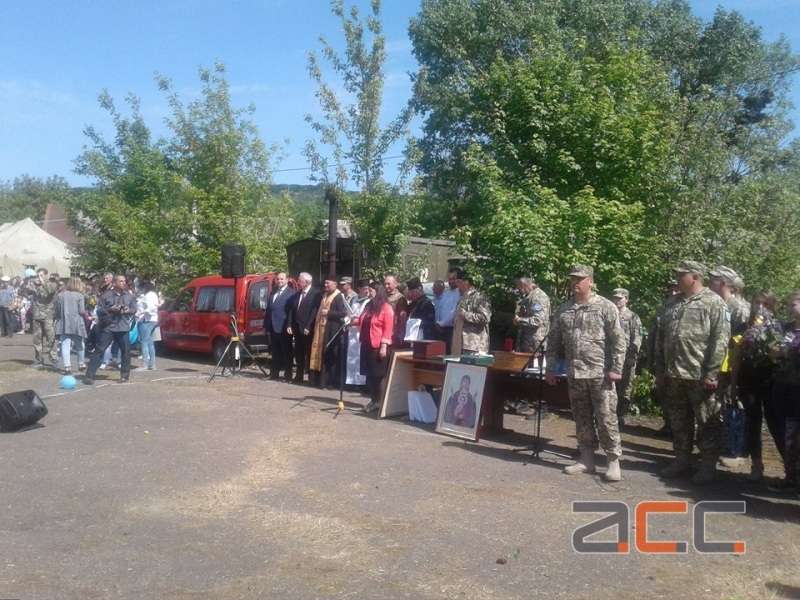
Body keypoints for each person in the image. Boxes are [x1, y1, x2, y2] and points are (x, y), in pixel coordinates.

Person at [546, 265, 626, 482]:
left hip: (600, 375)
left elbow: (619, 340)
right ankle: (586, 460)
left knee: (606, 418)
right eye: (573, 279)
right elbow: (552, 342)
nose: (575, 283)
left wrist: (617, 368)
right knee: (581, 419)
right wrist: (550, 368)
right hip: (575, 374)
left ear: (590, 281)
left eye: (580, 279)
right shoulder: (564, 309)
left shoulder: (605, 307)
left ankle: (613, 461)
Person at [655, 260, 730, 484]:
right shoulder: (673, 302)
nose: (678, 278)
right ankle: (682, 459)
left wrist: (712, 372)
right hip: (674, 373)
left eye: (682, 275)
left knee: (707, 421)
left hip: (699, 375)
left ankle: (707, 465)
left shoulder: (713, 302)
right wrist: (660, 369)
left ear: (695, 277)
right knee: (679, 420)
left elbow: (720, 340)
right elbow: (661, 338)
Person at [731, 291, 782, 481]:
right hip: (748, 380)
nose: (760, 308)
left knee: (776, 423)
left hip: (771, 381)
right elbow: (735, 357)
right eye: (757, 303)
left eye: (765, 305)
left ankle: (790, 467)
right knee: (752, 422)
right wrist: (733, 384)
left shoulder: (778, 328)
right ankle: (756, 464)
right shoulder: (743, 327)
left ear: (771, 307)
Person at [709, 266, 751, 465]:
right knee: (715, 407)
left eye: (714, 280)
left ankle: (734, 451)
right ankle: (717, 447)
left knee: (731, 405)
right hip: (717, 365)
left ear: (724, 283)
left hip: (732, 366)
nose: (710, 283)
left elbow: (741, 342)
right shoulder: (717, 304)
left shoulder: (739, 308)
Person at [768, 291, 800, 493]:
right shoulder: (785, 328)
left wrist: (785, 352)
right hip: (783, 386)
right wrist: (774, 352)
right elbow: (772, 350)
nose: (791, 306)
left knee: (796, 435)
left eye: (795, 302)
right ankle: (791, 476)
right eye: (789, 304)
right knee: (785, 432)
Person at [83, 275, 137, 384]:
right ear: (115, 283)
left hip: (123, 327)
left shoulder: (129, 296)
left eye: (124, 281)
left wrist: (127, 310)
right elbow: (99, 311)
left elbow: (134, 309)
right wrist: (110, 309)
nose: (123, 283)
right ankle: (89, 376)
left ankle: (124, 376)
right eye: (120, 281)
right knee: (99, 350)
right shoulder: (106, 295)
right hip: (109, 327)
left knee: (126, 352)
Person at [360, 284, 394, 413]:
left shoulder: (386, 308)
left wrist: (384, 345)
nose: (369, 292)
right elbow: (362, 320)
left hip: (378, 346)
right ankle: (373, 400)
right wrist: (352, 320)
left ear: (378, 292)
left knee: (378, 376)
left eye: (371, 290)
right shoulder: (369, 306)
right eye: (368, 289)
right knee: (370, 376)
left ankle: (379, 402)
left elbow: (388, 328)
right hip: (366, 344)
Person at [309, 277, 349, 388]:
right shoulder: (325, 295)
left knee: (330, 356)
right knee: (321, 354)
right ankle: (318, 381)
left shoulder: (338, 296)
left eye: (328, 283)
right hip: (321, 329)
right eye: (325, 282)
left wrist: (329, 312)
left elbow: (343, 313)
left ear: (335, 284)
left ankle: (329, 382)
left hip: (332, 330)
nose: (325, 285)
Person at [611, 288, 643, 427]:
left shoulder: (632, 317)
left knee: (625, 389)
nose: (617, 300)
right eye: (615, 298)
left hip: (627, 358)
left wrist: (633, 355)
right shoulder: (610, 314)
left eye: (620, 298)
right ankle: (609, 414)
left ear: (626, 299)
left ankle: (621, 414)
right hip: (611, 358)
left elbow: (637, 337)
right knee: (609, 387)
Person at [287, 272, 321, 384]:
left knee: (310, 353)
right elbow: (292, 310)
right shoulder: (297, 294)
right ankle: (299, 376)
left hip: (308, 329)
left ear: (306, 282)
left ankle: (312, 378)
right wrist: (289, 325)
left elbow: (314, 312)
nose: (298, 282)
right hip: (297, 328)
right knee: (299, 353)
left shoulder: (316, 294)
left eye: (300, 280)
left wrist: (308, 326)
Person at [22, 268, 59, 367]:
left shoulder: (52, 284)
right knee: (37, 339)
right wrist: (27, 283)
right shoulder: (34, 285)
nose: (39, 277)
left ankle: (54, 359)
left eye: (41, 275)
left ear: (46, 275)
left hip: (48, 315)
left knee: (50, 338)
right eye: (38, 275)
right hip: (36, 315)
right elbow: (25, 293)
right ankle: (39, 360)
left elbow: (50, 292)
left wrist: (43, 282)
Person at [451, 269, 491, 355]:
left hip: (474, 346)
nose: (457, 285)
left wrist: (465, 315)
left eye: (458, 282)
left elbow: (485, 317)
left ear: (466, 282)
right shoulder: (463, 297)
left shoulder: (479, 297)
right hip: (460, 345)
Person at [264, 272, 296, 380]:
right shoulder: (273, 292)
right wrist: (266, 325)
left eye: (282, 279)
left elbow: (292, 312)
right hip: (273, 327)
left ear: (287, 280)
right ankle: (274, 374)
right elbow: (269, 310)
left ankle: (288, 375)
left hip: (284, 327)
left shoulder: (291, 293)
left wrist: (289, 325)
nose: (279, 281)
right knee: (275, 352)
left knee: (287, 352)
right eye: (278, 279)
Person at [54, 277, 88, 373]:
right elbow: (81, 311)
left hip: (64, 322)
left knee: (65, 344)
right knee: (80, 344)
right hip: (77, 323)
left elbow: (57, 310)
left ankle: (67, 366)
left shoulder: (60, 295)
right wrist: (87, 315)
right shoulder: (80, 296)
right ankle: (81, 363)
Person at [514, 276, 550, 354]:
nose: (518, 289)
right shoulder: (528, 297)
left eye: (518, 286)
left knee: (533, 367)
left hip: (535, 346)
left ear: (524, 284)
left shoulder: (538, 297)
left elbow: (537, 320)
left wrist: (519, 320)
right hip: (527, 344)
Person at [345, 279, 371, 386]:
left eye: (368, 289)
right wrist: (347, 320)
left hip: (361, 332)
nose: (367, 291)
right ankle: (351, 381)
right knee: (351, 356)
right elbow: (348, 311)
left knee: (360, 357)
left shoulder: (369, 301)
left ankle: (361, 382)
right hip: (352, 332)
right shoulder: (353, 299)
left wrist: (357, 320)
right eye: (364, 289)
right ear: (359, 289)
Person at [434, 271, 461, 353]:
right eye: (449, 279)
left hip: (451, 330)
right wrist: (437, 323)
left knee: (449, 354)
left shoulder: (460, 293)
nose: (451, 281)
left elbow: (454, 312)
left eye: (453, 279)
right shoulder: (446, 293)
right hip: (440, 329)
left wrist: (441, 323)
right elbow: (439, 309)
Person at [136, 281, 160, 371]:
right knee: (150, 342)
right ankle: (152, 364)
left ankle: (145, 364)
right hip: (153, 320)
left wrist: (142, 312)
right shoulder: (154, 295)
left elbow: (150, 308)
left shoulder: (147, 296)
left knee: (144, 342)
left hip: (146, 320)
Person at [384, 274, 408, 345]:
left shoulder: (400, 299)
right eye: (385, 284)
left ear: (395, 284)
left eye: (388, 284)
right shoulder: (383, 296)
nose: (386, 286)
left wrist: (399, 335)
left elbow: (402, 318)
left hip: (394, 332)